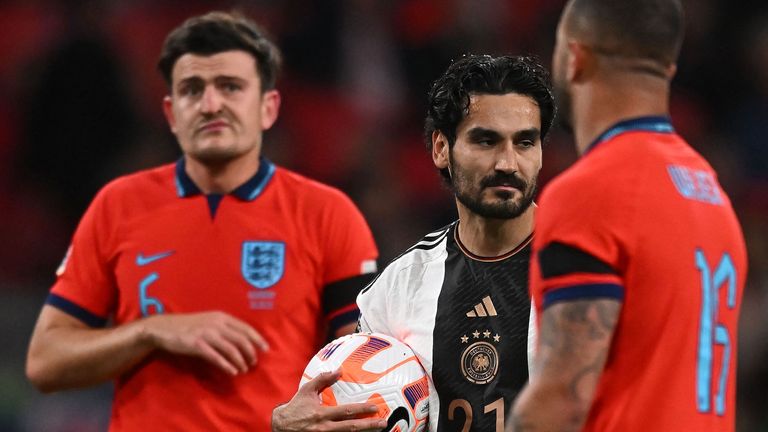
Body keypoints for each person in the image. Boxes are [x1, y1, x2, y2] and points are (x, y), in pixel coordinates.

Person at [25, 11, 379, 431]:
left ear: (269, 107)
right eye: (193, 90)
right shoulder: (118, 205)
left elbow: (365, 371)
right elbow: (45, 362)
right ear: (172, 114)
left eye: (230, 87)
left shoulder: (328, 214)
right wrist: (150, 331)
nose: (211, 104)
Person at [272, 54, 555, 432]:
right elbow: (352, 408)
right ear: (441, 148)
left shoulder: (586, 265)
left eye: (524, 142)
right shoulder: (397, 288)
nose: (507, 162)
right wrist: (294, 423)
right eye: (486, 140)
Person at [508, 1, 747, 431]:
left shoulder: (592, 192)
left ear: (575, 58)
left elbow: (563, 400)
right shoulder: (712, 195)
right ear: (667, 71)